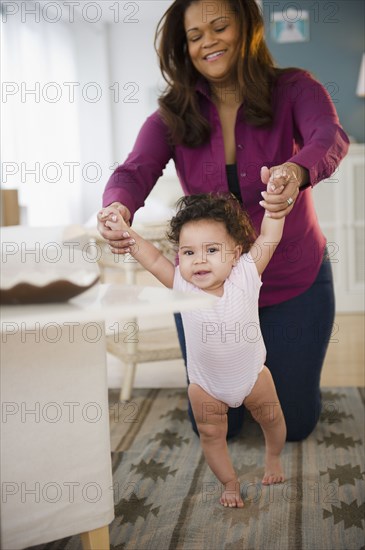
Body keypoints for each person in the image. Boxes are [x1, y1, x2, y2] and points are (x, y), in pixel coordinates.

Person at [98, 0, 349, 442]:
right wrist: (118, 206)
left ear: (247, 29)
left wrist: (295, 170)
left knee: (294, 425)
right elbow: (133, 171)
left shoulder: (295, 88)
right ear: (184, 46)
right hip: (204, 293)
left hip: (293, 280)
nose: (207, 41)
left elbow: (328, 136)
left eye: (219, 27)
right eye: (195, 35)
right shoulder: (171, 114)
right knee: (218, 426)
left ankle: (286, 384)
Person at [103, 190, 287, 508]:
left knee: (272, 419)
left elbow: (270, 234)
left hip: (253, 377)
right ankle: (229, 483)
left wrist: (275, 203)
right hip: (206, 387)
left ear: (235, 253)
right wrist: (125, 231)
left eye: (211, 250)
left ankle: (273, 457)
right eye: (188, 252)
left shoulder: (245, 274)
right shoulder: (182, 286)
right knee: (211, 434)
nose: (198, 260)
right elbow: (151, 257)